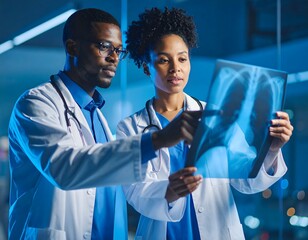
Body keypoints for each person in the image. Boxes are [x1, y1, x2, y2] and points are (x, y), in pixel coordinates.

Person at [8, 8, 203, 240]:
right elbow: (64, 168)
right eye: (104, 47)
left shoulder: (96, 116)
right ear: (72, 48)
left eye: (118, 50)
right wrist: (157, 140)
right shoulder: (35, 104)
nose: (113, 58)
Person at [116, 7, 294, 239]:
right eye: (163, 60)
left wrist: (271, 150)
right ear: (145, 65)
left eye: (182, 58)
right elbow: (134, 191)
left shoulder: (215, 114)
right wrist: (169, 192)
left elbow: (245, 181)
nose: (175, 68)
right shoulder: (130, 127)